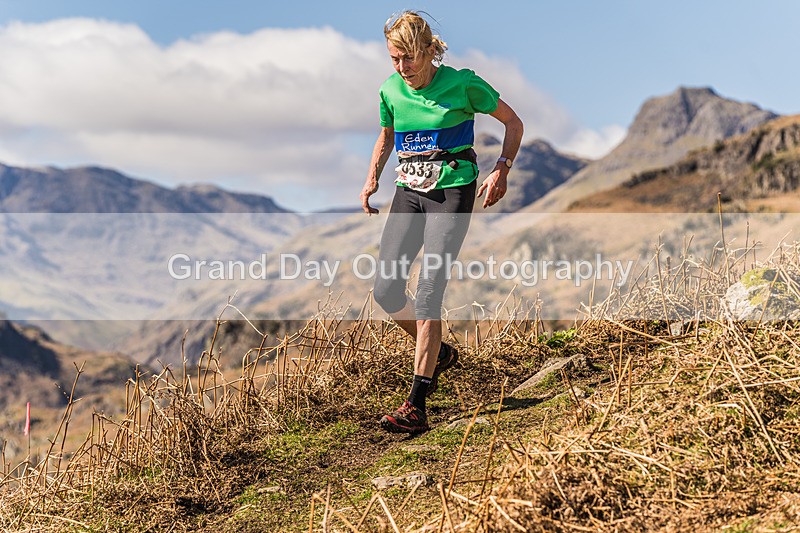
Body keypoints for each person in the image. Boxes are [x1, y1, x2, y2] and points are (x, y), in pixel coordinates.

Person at [360, 11, 523, 434]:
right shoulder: (390, 90)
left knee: (429, 290)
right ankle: (440, 353)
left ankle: (416, 405)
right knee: (386, 289)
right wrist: (373, 176)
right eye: (394, 58)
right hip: (409, 191)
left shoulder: (463, 84)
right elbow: (387, 135)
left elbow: (513, 122)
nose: (402, 67)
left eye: (409, 58)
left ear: (430, 50)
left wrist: (502, 167)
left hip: (452, 192)